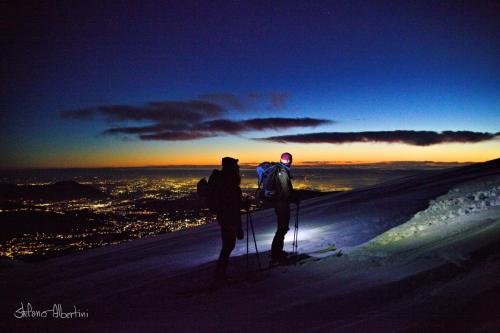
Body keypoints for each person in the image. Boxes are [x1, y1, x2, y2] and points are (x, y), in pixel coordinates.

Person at [211, 157, 244, 281]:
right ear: (231, 167)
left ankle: (220, 273)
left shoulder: (225, 180)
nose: (238, 167)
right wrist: (242, 205)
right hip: (229, 217)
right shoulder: (229, 182)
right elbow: (232, 203)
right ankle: (219, 274)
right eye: (236, 165)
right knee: (228, 245)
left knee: (228, 245)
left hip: (226, 217)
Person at [270, 152, 297, 264]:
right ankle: (276, 254)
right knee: (282, 229)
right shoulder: (282, 172)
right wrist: (294, 198)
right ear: (289, 161)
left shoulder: (279, 170)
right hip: (282, 204)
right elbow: (286, 192)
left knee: (281, 229)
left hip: (279, 204)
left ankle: (277, 252)